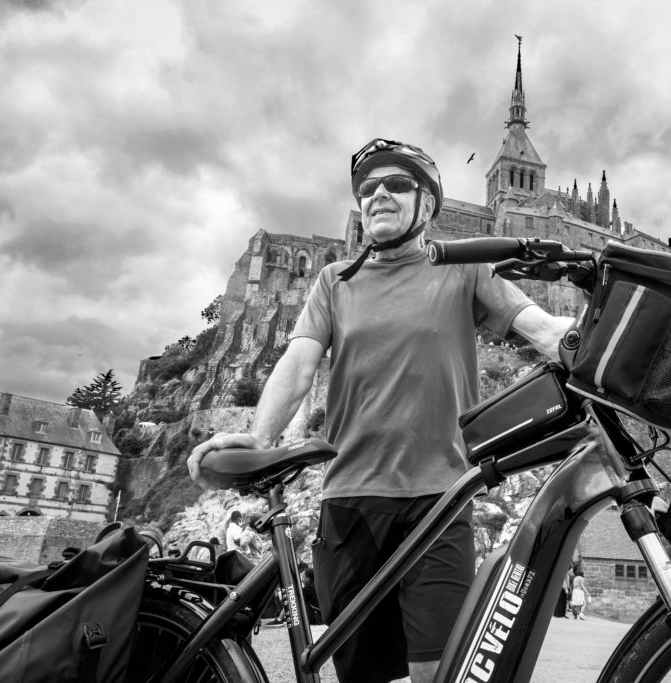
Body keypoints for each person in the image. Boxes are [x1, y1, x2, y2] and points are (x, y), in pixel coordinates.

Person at [188, 137, 572, 683]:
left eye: (397, 184)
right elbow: (299, 365)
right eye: (368, 189)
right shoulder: (333, 281)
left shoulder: (465, 271)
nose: (379, 195)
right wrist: (260, 436)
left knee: (441, 673)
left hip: (442, 498)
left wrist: (610, 349)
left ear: (428, 205)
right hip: (351, 501)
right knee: (362, 675)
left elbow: (544, 328)